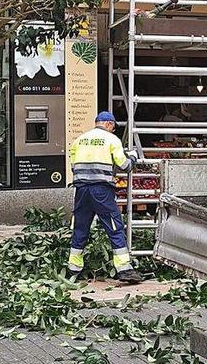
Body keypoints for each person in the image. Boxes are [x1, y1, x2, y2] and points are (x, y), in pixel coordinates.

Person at [67, 111, 142, 284]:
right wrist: (133, 156)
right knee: (114, 226)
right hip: (101, 191)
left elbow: (74, 167)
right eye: (113, 127)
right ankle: (125, 270)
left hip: (81, 190)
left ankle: (73, 269)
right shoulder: (111, 140)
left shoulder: (79, 140)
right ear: (108, 124)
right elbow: (124, 165)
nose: (113, 130)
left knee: (80, 227)